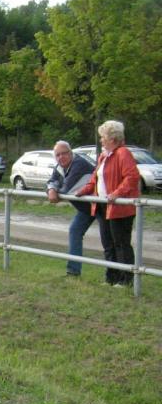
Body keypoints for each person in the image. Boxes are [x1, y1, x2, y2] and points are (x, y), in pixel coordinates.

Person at [75, 120, 140, 287]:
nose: (101, 140)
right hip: (102, 205)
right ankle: (111, 277)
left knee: (121, 243)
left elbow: (132, 177)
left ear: (112, 138)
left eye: (103, 137)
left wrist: (117, 193)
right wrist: (82, 191)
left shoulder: (123, 153)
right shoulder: (104, 156)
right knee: (108, 244)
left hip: (120, 207)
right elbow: (95, 179)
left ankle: (126, 279)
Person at [46, 141, 96, 277]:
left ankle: (117, 277)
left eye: (64, 153)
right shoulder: (60, 167)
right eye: (58, 155)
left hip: (101, 205)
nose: (61, 157)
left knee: (111, 241)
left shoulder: (79, 164)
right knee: (75, 231)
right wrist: (51, 189)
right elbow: (51, 180)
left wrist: (54, 190)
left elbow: (66, 189)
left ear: (71, 153)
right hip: (86, 208)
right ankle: (73, 271)